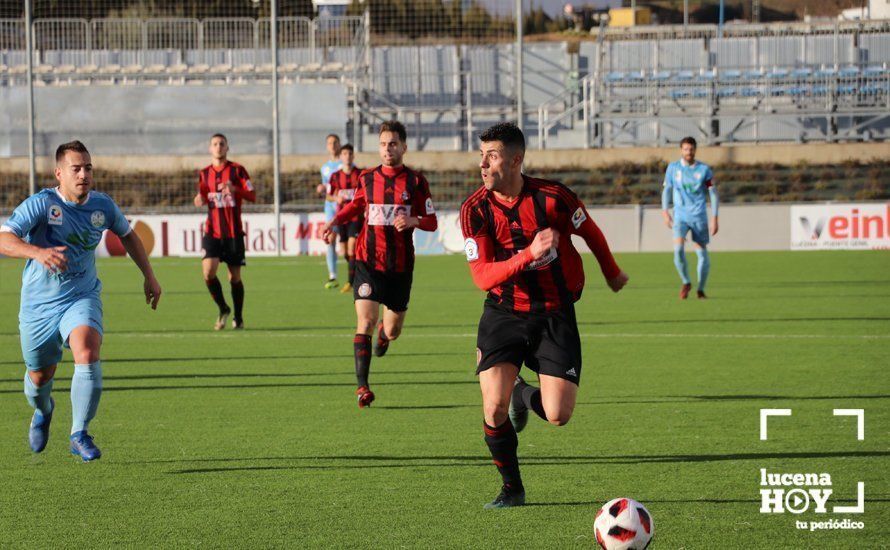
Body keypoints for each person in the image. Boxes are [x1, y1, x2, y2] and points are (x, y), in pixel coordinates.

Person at [459, 123, 628, 509]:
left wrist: (611, 272)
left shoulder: (554, 198)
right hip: (504, 313)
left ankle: (523, 392)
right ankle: (512, 489)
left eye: (493, 155)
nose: (483, 164)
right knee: (492, 407)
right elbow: (482, 276)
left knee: (557, 415)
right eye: (481, 155)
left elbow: (592, 233)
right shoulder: (475, 210)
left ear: (516, 159)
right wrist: (526, 255)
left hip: (555, 313)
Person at [0, 140, 162, 462]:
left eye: (88, 167)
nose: (83, 174)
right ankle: (43, 410)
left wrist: (149, 275)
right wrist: (38, 252)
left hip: (81, 295)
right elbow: (4, 238)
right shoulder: (42, 204)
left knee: (87, 349)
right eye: (76, 168)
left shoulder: (101, 207)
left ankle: (79, 432)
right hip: (38, 306)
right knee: (39, 377)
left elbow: (128, 235)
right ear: (59, 173)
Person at [322, 121, 438, 408]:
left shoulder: (416, 182)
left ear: (404, 147)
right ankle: (362, 387)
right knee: (366, 321)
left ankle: (386, 336)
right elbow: (356, 206)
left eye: (394, 143)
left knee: (393, 328)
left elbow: (432, 221)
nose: (388, 149)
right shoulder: (367, 178)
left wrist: (413, 220)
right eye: (384, 144)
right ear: (379, 147)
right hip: (368, 262)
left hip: (400, 267)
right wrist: (335, 221)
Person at [193, 133, 256, 329]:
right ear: (210, 148)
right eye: (215, 144)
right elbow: (201, 196)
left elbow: (253, 195)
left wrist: (236, 189)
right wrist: (199, 199)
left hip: (233, 233)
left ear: (227, 147)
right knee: (208, 272)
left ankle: (238, 316)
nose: (218, 147)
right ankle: (223, 308)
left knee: (234, 277)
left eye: (222, 144)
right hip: (212, 231)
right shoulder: (204, 173)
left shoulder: (238, 171)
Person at [661, 136, 719, 299]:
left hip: (699, 216)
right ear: (681, 150)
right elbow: (667, 191)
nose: (689, 152)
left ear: (695, 150)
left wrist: (715, 217)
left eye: (691, 149)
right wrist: (665, 212)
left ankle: (700, 288)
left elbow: (713, 194)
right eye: (686, 149)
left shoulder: (704, 170)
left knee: (702, 254)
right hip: (680, 216)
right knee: (678, 250)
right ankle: (686, 282)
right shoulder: (673, 168)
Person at [327, 144, 362, 293]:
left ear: (353, 156)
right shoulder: (335, 176)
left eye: (350, 153)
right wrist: (336, 198)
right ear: (341, 157)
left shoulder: (360, 174)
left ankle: (351, 282)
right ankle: (357, 272)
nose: (347, 156)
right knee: (345, 252)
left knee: (352, 248)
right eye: (344, 154)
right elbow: (328, 196)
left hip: (355, 217)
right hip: (341, 218)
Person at [318, 133, 342, 289]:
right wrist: (322, 189)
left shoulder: (345, 164)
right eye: (329, 143)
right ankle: (332, 275)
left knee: (349, 244)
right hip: (330, 209)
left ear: (339, 144)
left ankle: (354, 275)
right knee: (331, 240)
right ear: (327, 146)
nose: (332, 145)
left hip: (346, 208)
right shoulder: (325, 168)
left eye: (335, 142)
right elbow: (327, 190)